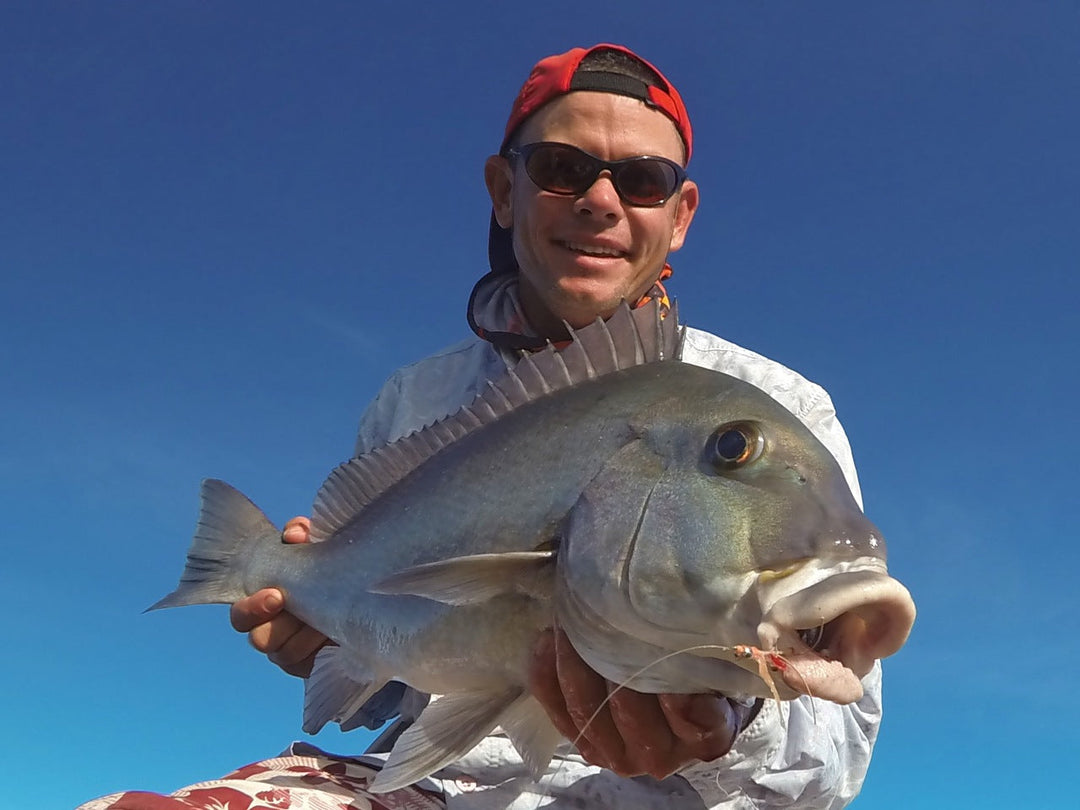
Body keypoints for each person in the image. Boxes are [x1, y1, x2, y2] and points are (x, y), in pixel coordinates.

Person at [80, 44, 882, 810]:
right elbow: (413, 678)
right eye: (563, 169)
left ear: (679, 215)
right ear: (504, 190)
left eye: (641, 180)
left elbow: (840, 750)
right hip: (427, 788)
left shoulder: (776, 402)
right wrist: (327, 641)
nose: (601, 201)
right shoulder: (416, 396)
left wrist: (725, 729)